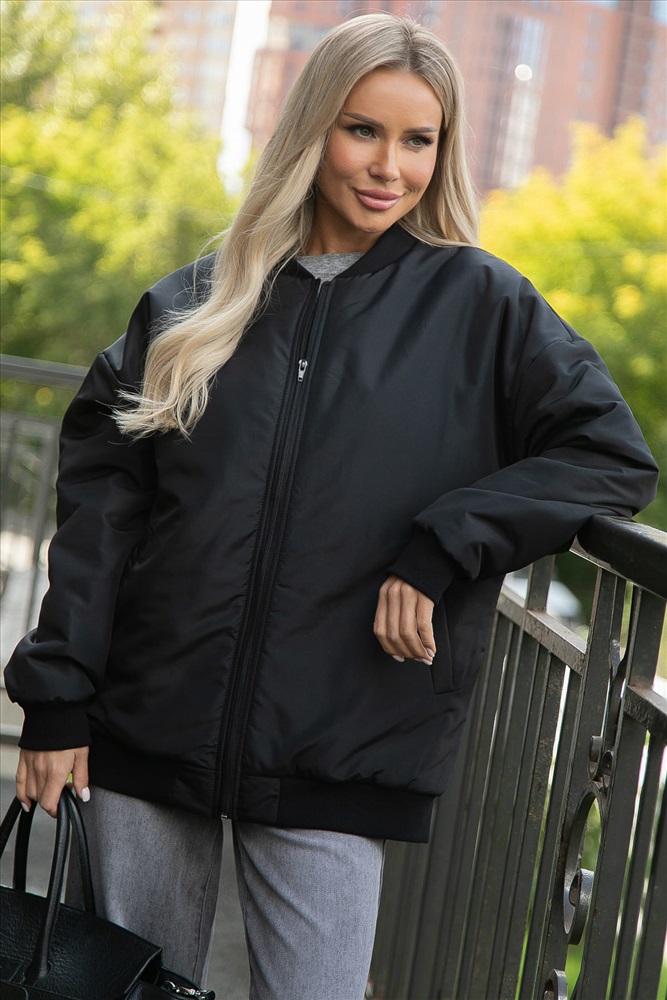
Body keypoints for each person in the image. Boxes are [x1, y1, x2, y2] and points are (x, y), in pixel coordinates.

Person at [4, 13, 658, 999]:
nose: (390, 166)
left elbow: (606, 454)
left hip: (340, 748)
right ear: (313, 129)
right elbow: (102, 518)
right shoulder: (194, 303)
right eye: (362, 130)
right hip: (145, 728)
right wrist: (55, 699)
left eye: (418, 139)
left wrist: (443, 545)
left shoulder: (481, 308)